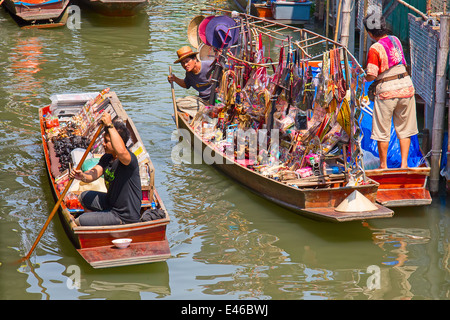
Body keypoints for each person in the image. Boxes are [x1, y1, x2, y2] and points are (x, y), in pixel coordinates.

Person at [363, 15, 418, 169]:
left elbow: (372, 75)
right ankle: (405, 164)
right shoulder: (396, 40)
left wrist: (362, 76)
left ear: (370, 33)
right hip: (406, 87)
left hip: (387, 91)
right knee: (405, 129)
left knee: (382, 130)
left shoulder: (375, 49)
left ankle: (383, 165)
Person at [69, 112, 142, 226]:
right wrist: (82, 176)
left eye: (107, 141)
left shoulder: (128, 159)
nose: (103, 144)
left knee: (79, 221)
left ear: (116, 142)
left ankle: (102, 226)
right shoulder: (107, 157)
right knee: (83, 197)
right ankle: (100, 221)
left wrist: (109, 124)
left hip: (124, 216)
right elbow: (93, 174)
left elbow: (122, 151)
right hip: (110, 204)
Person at [168, 46, 213, 118]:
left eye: (187, 61)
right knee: (178, 103)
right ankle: (205, 112)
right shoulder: (189, 73)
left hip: (217, 100)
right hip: (203, 101)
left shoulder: (210, 66)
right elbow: (186, 84)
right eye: (182, 63)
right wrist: (175, 79)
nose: (185, 65)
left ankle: (205, 112)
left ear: (194, 59)